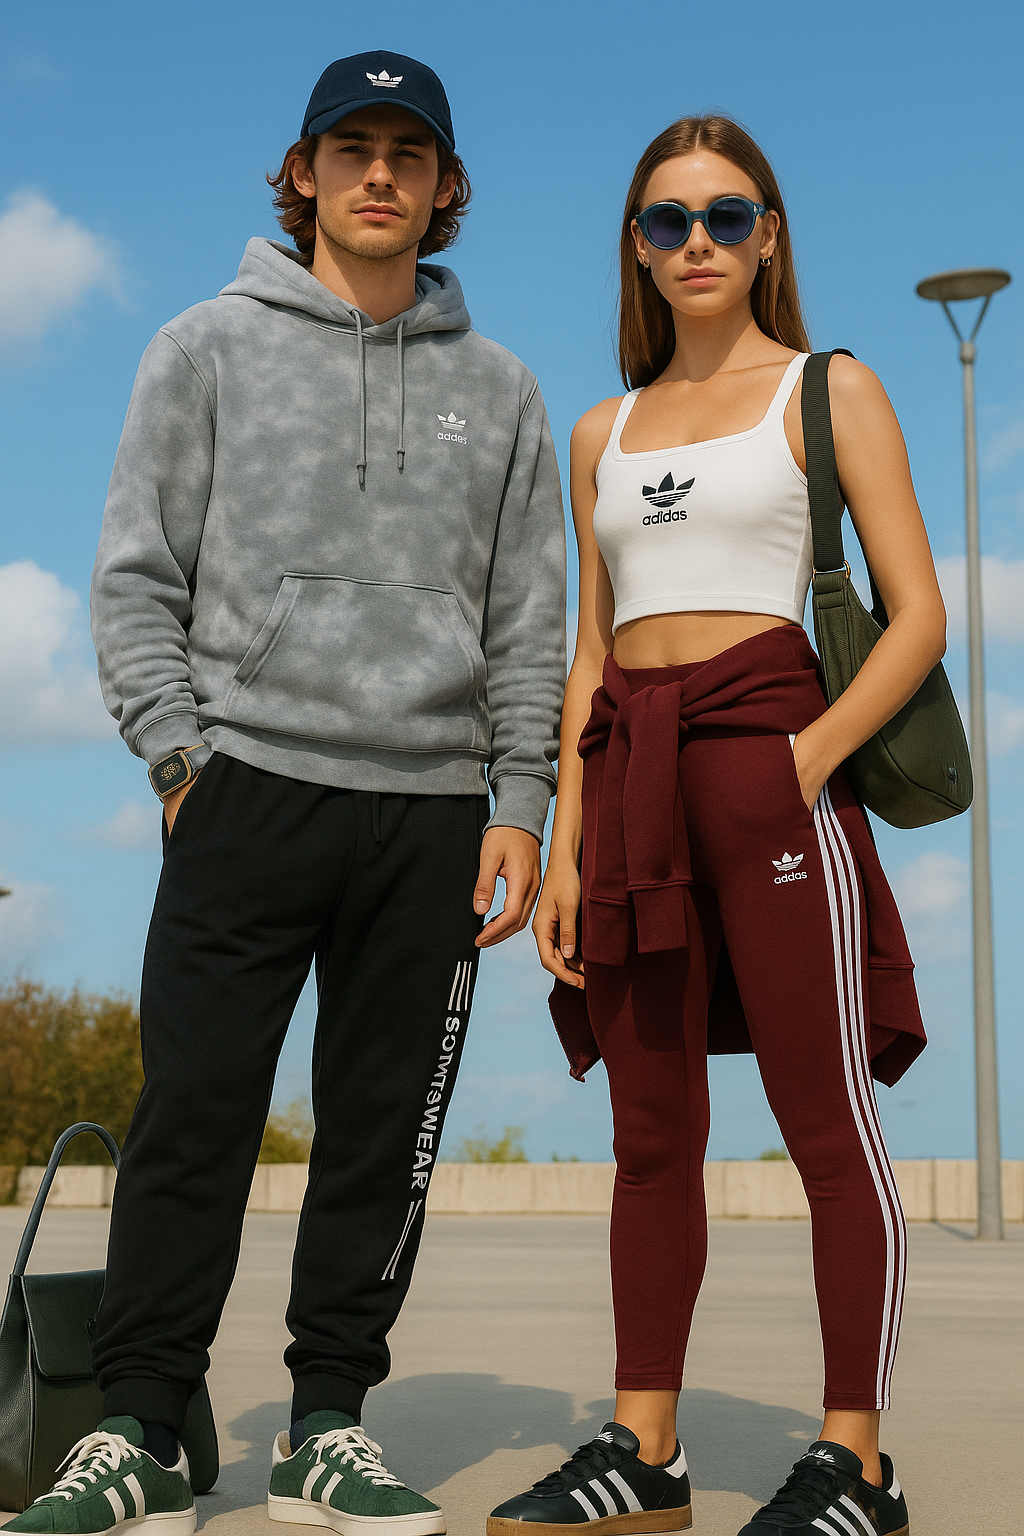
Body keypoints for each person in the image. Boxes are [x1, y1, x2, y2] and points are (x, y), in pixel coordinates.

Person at [4, 51, 564, 1536]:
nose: (378, 174)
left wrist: (521, 800)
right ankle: (132, 1432)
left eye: (408, 152)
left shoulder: (501, 392)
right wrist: (183, 763)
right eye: (350, 147)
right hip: (247, 788)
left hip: (437, 814)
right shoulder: (202, 348)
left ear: (445, 186)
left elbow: (529, 621)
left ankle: (328, 1425)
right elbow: (135, 581)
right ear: (303, 171)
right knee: (193, 1118)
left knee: (382, 1137)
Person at [488, 115, 936, 1536]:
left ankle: (859, 1459)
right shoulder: (599, 430)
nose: (698, 244)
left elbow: (918, 616)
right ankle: (644, 1448)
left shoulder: (830, 389)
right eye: (668, 220)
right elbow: (588, 651)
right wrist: (564, 846)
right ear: (634, 243)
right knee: (649, 1131)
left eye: (727, 217)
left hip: (770, 769)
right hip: (628, 788)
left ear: (770, 236)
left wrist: (800, 761)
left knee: (825, 1125)